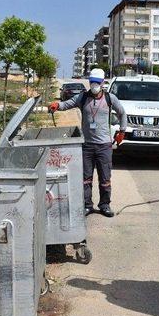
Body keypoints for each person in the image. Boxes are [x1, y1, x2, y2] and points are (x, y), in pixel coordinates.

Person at [48, 68, 127, 217]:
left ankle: (105, 205)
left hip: (104, 146)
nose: (94, 85)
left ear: (103, 83)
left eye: (97, 83)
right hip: (86, 146)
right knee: (85, 178)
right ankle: (87, 205)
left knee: (105, 178)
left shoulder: (110, 99)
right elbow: (67, 104)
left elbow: (122, 113)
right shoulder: (82, 98)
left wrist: (122, 131)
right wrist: (57, 106)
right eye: (92, 82)